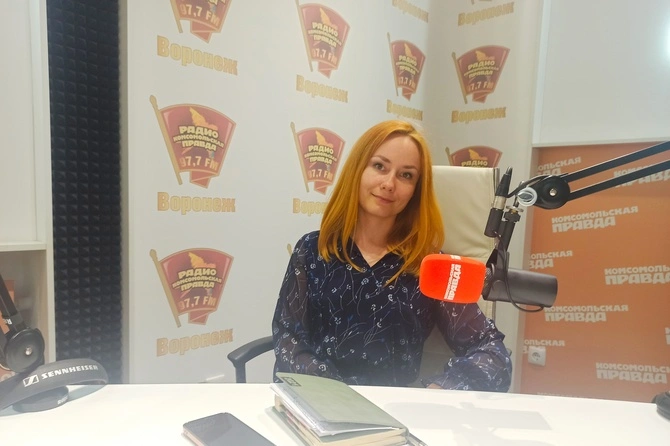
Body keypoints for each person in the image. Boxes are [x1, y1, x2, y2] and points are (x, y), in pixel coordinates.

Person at [272, 120, 512, 391]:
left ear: (416, 190)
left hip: (395, 408)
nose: (389, 184)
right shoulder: (312, 250)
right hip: (320, 400)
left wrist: (440, 388)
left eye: (406, 175)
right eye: (379, 166)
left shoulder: (428, 265)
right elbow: (288, 338)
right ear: (357, 170)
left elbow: (492, 353)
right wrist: (334, 394)